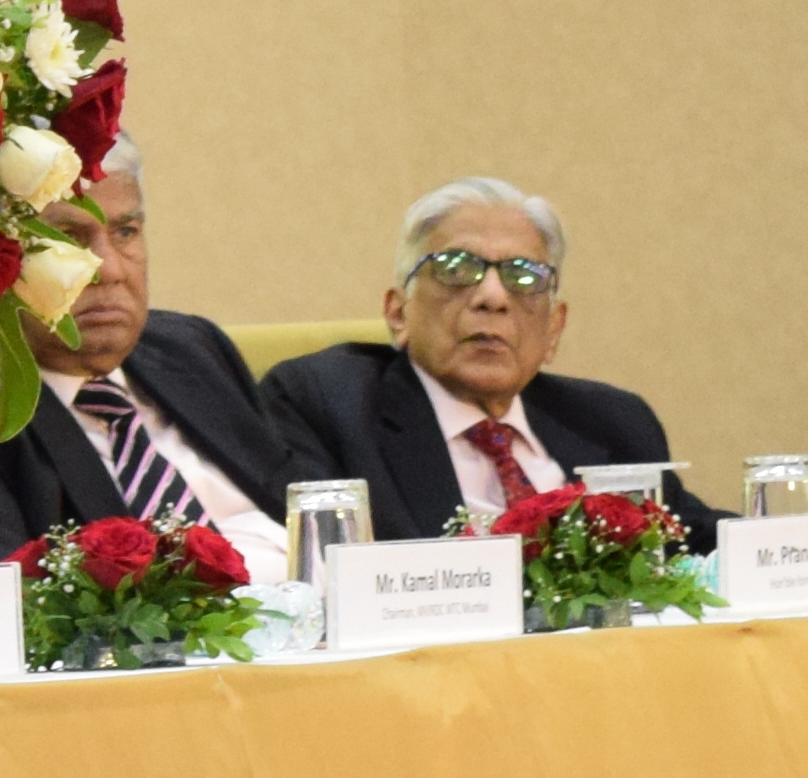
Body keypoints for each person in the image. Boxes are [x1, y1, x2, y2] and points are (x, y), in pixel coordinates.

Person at [262, 178, 719, 547]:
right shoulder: (329, 405)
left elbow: (694, 538)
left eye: (525, 276)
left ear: (555, 328)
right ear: (398, 313)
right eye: (456, 269)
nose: (493, 297)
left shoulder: (612, 422)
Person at [0, 154, 311, 561]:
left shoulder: (191, 349)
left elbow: (317, 518)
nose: (110, 269)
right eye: (67, 237)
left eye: (125, 231)